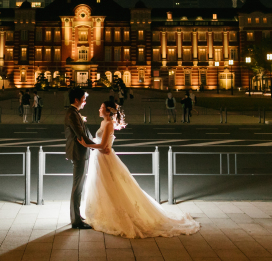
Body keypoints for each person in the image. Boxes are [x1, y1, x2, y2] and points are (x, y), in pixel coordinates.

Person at [78, 97, 200, 238]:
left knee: (111, 186)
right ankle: (101, 212)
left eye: (101, 107)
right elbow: (101, 143)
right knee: (100, 185)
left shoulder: (109, 124)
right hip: (99, 158)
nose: (99, 109)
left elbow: (103, 145)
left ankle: (112, 214)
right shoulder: (103, 122)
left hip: (104, 158)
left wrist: (87, 145)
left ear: (107, 111)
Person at [64, 88, 95, 229]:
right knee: (77, 186)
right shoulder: (72, 114)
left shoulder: (74, 113)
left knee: (79, 185)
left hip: (80, 153)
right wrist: (97, 146)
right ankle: (76, 220)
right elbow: (80, 134)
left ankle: (77, 216)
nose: (85, 102)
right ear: (76, 99)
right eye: (83, 99)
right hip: (78, 153)